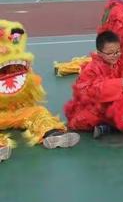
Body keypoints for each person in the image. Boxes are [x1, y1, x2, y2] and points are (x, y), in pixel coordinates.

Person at [0, 19, 80, 162]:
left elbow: (28, 89)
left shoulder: (17, 64)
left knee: (38, 112)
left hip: (16, 111)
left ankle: (52, 133)